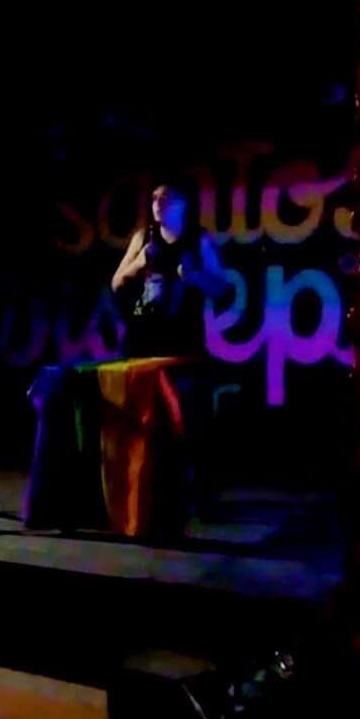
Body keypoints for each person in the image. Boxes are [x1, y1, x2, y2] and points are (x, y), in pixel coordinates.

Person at [111, 175, 228, 521]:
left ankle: (201, 496)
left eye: (165, 199)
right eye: (154, 199)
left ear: (183, 205)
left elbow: (221, 288)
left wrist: (196, 276)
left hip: (183, 342)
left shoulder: (199, 240)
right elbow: (117, 283)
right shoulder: (143, 237)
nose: (157, 205)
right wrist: (138, 265)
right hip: (142, 340)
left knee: (191, 423)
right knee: (141, 422)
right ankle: (145, 494)